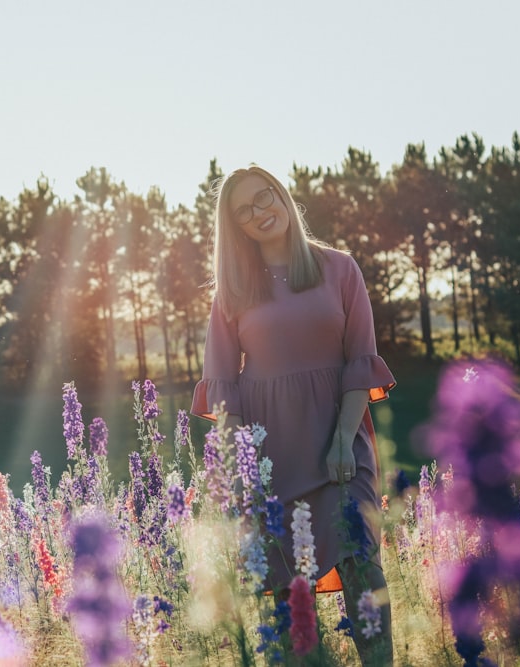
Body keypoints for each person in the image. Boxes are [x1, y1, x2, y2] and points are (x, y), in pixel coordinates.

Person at [191, 165, 396, 665]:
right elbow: (223, 392)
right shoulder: (234, 291)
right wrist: (245, 474)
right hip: (270, 453)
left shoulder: (339, 268)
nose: (261, 212)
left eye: (266, 198)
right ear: (236, 225)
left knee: (360, 562)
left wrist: (344, 438)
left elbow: (358, 363)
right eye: (246, 210)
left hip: (339, 438)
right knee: (287, 592)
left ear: (283, 197)